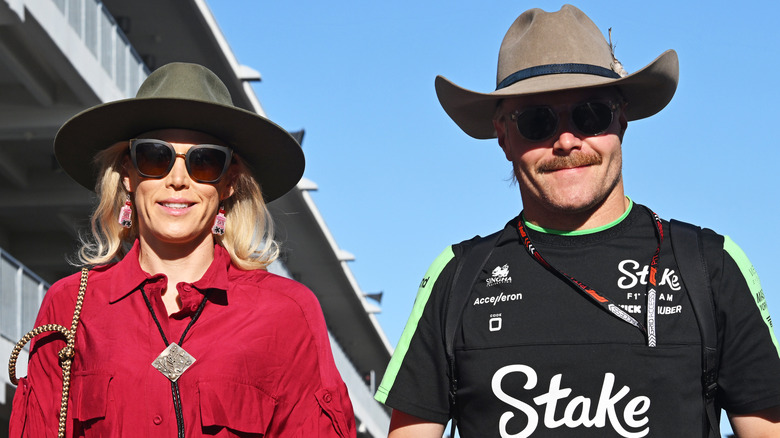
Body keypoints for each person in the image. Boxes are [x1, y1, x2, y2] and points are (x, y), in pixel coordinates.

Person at [374, 5, 780, 438]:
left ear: (621, 118)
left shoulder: (710, 266)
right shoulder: (456, 278)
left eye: (590, 114)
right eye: (536, 121)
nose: (566, 140)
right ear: (503, 135)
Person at [10, 62, 356, 437]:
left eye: (204, 162)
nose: (177, 180)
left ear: (229, 182)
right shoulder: (69, 304)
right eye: (155, 157)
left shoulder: (287, 313)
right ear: (128, 173)